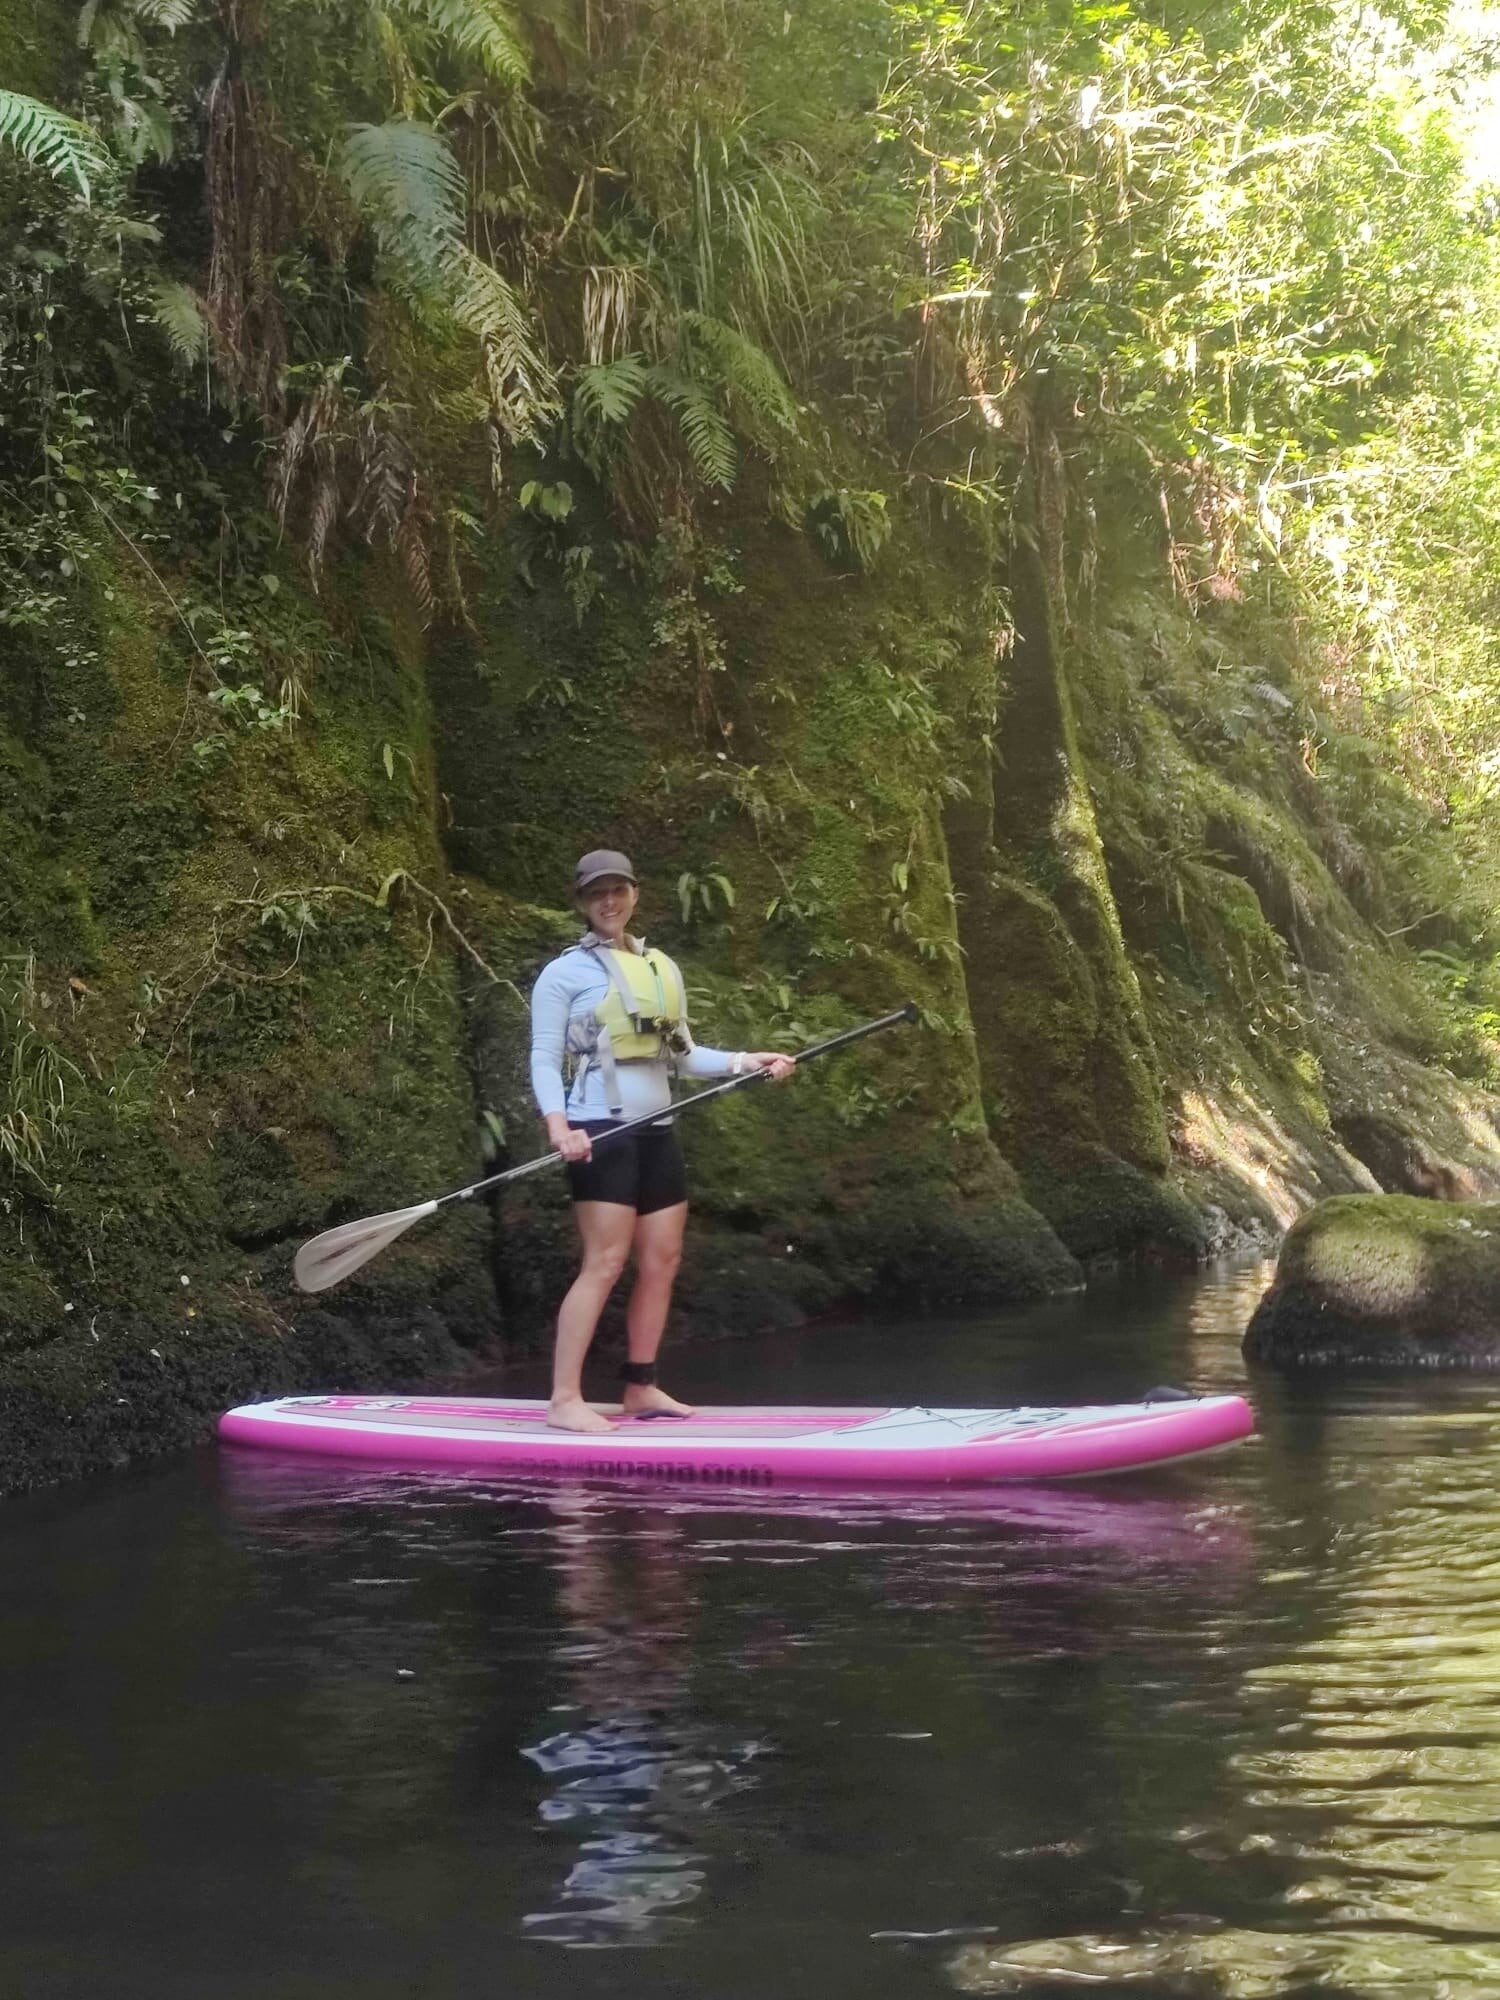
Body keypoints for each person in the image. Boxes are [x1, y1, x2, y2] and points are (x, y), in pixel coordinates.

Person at [530, 849, 795, 1434]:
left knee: (662, 1260)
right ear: (581, 901)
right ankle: (564, 1399)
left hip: (658, 1131)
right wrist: (558, 1127)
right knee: (604, 1261)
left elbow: (686, 1053)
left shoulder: (661, 968)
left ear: (633, 893)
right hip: (599, 1131)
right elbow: (545, 1058)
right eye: (596, 892)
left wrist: (746, 1060)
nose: (609, 900)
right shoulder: (563, 974)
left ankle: (641, 1387)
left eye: (617, 889)